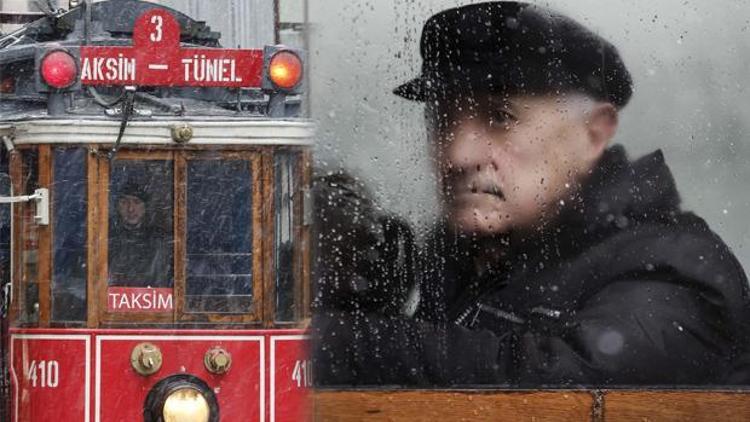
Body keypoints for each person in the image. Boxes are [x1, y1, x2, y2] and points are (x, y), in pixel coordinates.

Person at [314, 1, 750, 386]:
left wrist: (341, 342)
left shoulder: (674, 270)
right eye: (444, 121)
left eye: (500, 118)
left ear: (592, 134)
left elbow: (564, 383)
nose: (458, 153)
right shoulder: (466, 255)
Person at [109, 181, 172, 287]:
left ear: (145, 207)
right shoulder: (107, 236)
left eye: (136, 202)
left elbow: (162, 279)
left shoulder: (158, 239)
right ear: (117, 207)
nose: (130, 209)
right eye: (124, 202)